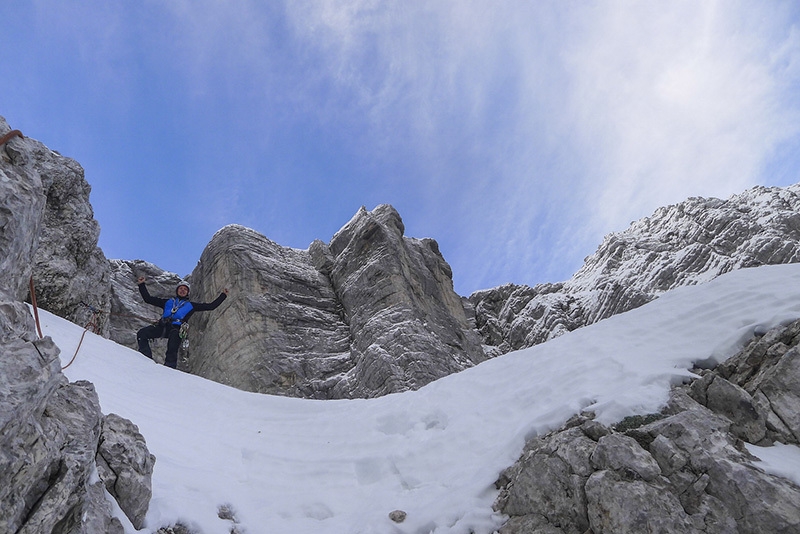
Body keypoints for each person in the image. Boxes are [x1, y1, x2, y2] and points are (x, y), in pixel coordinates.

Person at [136, 276, 229, 369]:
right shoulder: (168, 302)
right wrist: (142, 285)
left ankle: (169, 369)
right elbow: (148, 299)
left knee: (172, 347)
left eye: (185, 289)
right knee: (142, 333)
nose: (182, 290)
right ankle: (146, 359)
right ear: (177, 291)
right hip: (162, 326)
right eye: (180, 288)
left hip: (176, 329)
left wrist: (223, 295)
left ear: (188, 293)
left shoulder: (191, 305)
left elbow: (211, 306)